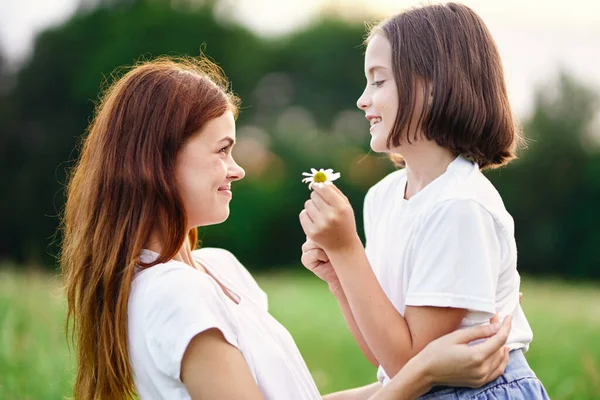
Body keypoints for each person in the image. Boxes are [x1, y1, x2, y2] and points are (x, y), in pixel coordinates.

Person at [61, 56, 513, 400]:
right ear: (158, 161)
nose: (236, 170)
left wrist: (343, 282)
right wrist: (422, 374)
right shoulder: (172, 296)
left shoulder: (218, 268)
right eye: (222, 150)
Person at [299, 3, 549, 399]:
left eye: (378, 82)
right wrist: (339, 279)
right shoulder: (383, 197)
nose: (363, 100)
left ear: (431, 87)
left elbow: (408, 362)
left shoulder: (459, 205)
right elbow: (386, 360)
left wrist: (348, 250)